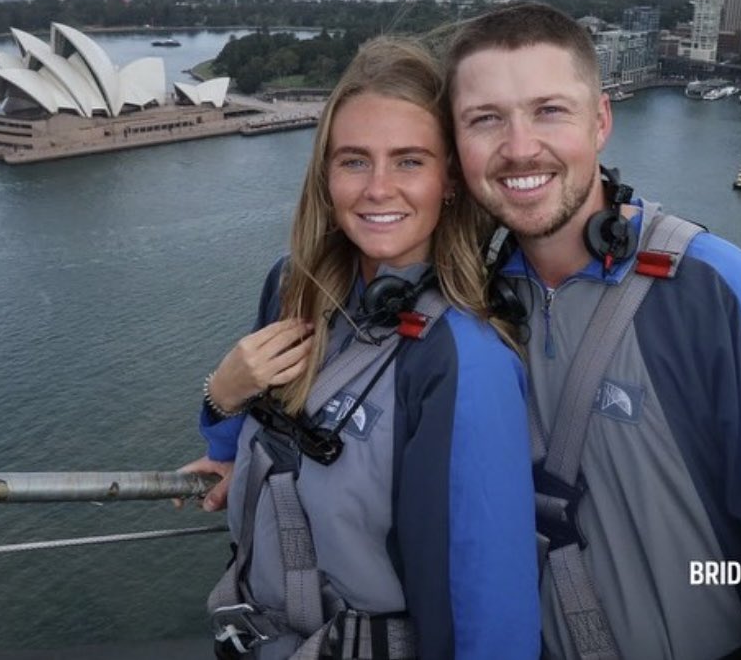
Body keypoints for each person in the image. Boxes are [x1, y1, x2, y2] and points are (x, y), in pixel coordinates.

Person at [442, 2, 741, 659]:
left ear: (600, 120)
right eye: (485, 120)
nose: (519, 147)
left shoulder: (727, 298)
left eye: (550, 110)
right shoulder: (473, 302)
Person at [191, 36, 541, 660]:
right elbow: (257, 417)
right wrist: (220, 408)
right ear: (325, 175)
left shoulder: (463, 359)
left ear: (451, 180)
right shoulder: (293, 284)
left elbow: (489, 604)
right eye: (354, 161)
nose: (378, 188)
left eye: (409, 161)